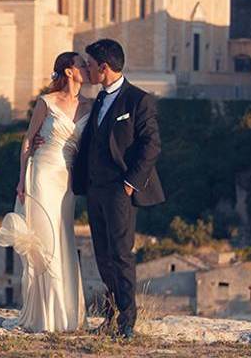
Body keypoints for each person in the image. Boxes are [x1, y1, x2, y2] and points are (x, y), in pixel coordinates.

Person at [70, 38, 165, 339]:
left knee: (122, 253)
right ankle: (110, 314)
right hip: (95, 188)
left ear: (104, 67)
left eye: (90, 65)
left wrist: (129, 184)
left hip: (120, 189)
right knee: (102, 254)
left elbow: (152, 145)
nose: (86, 69)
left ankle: (127, 320)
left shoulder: (139, 100)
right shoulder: (97, 99)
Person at [0, 52, 90, 332]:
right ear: (69, 72)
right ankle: (45, 317)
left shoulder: (91, 106)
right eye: (81, 64)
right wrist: (22, 179)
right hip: (43, 173)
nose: (86, 68)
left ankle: (68, 315)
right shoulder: (46, 102)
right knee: (47, 243)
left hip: (68, 179)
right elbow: (28, 140)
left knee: (64, 238)